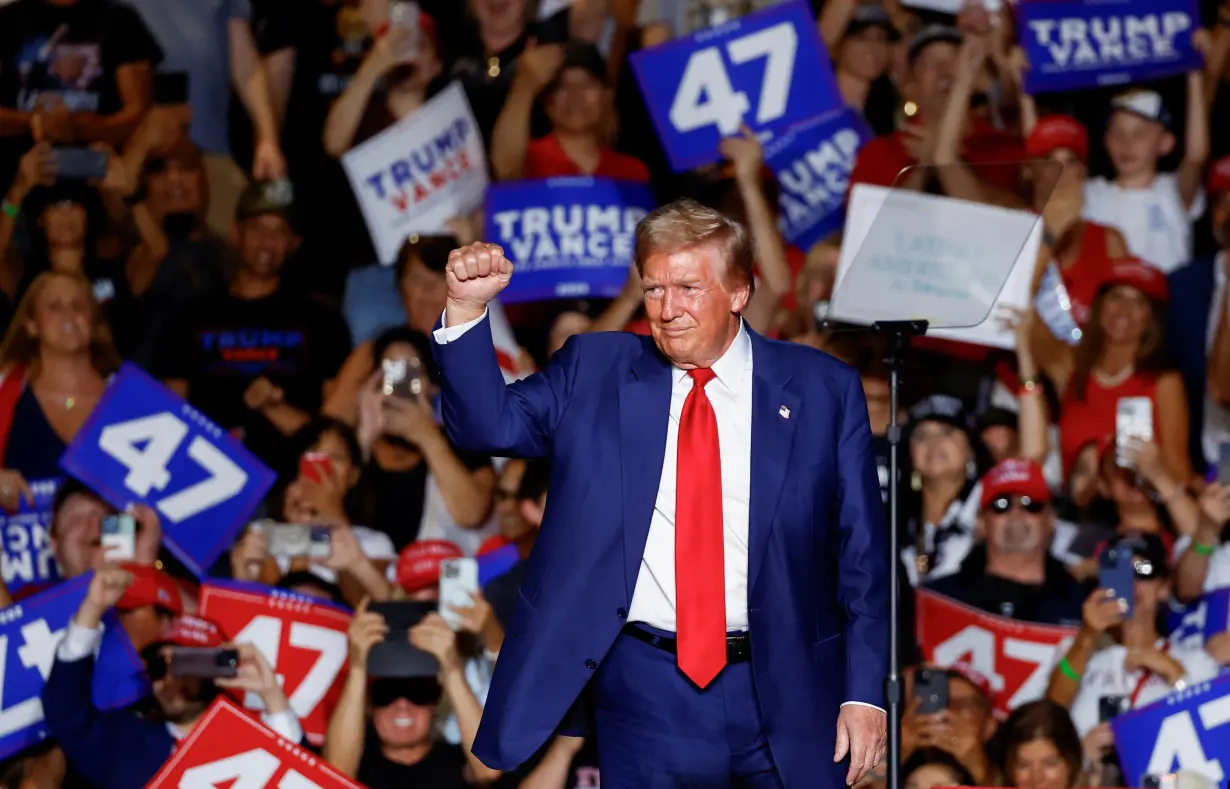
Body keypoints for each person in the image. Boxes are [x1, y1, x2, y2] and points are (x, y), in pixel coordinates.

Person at [431, 200, 889, 787]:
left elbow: (863, 561)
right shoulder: (595, 369)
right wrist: (468, 311)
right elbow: (486, 427)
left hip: (792, 685)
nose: (667, 310)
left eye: (688, 288)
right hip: (646, 689)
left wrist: (865, 694)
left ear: (740, 291)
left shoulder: (823, 389)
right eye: (653, 290)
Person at [0, 271, 119, 486]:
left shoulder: (130, 396)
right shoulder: (4, 390)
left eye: (78, 306)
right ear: (32, 325)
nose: (69, 314)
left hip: (114, 521)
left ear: (92, 322)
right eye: (54, 306)